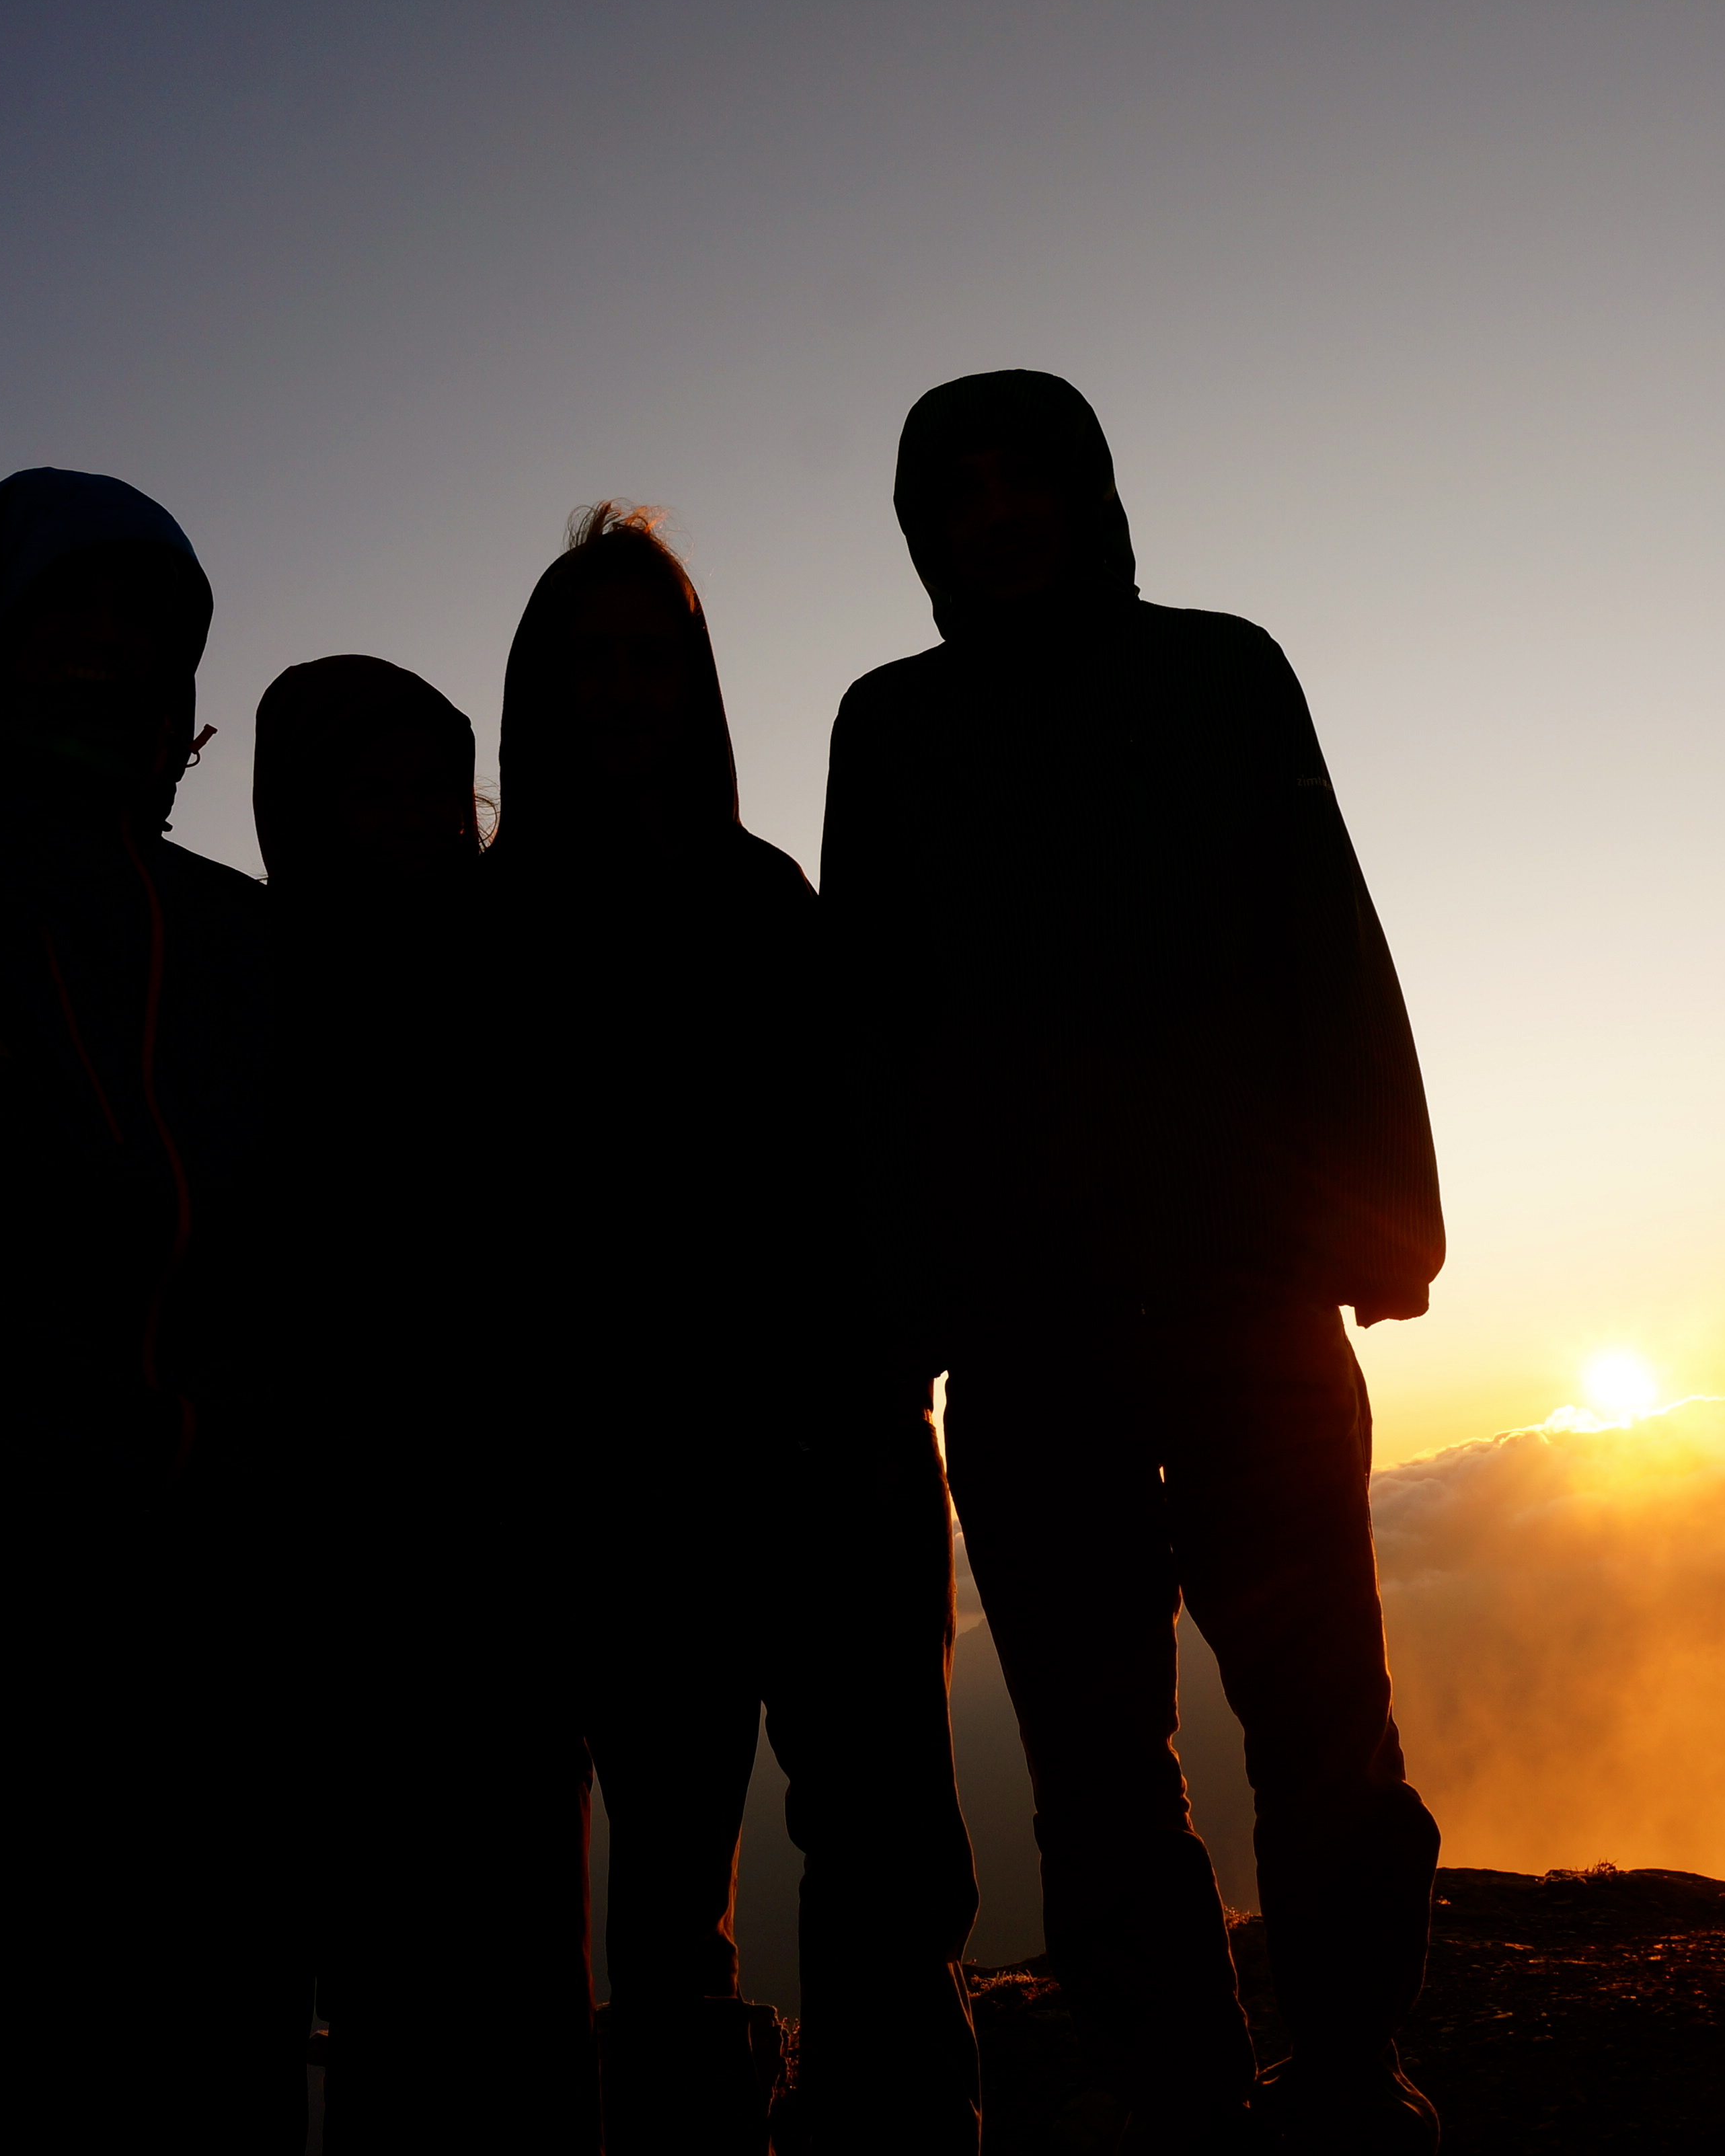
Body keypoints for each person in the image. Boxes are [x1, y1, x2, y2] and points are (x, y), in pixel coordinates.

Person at [820, 373, 1448, 2155]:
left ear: (1092, 496)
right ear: (924, 530)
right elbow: (870, 1028)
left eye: (1034, 480)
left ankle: (1343, 2074)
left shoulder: (1219, 672)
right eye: (964, 491)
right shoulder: (897, 728)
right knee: (1098, 1771)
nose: (1002, 515)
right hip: (1026, 1343)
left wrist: (1385, 1209)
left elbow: (1326, 925)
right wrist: (893, 1305)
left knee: (1325, 1728)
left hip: (1250, 1301)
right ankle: (1182, 2091)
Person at [484, 506, 982, 2155]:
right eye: (589, 661)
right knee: (666, 1884)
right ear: (539, 690)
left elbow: (880, 1139)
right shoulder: (487, 933)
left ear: (692, 685)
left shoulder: (770, 896)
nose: (620, 691)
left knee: (891, 1863)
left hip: (832, 1457)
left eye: (651, 658)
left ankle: (894, 2133)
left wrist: (890, 1344)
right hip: (626, 1491)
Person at [0, 468, 302, 2148]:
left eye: (141, 622)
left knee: (223, 2057)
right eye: (64, 611)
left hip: (234, 1617)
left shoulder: (243, 937)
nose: (107, 647)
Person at [251, 655, 595, 2149]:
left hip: (516, 1556)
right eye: (368, 791)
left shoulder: (518, 974)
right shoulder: (247, 994)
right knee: (388, 1974)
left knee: (523, 1954)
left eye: (432, 789)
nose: (410, 822)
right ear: (302, 811)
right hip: (330, 1577)